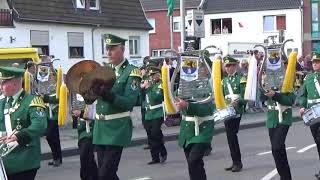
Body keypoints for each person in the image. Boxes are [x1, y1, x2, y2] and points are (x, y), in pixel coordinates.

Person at [92, 34, 142, 180]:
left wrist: (107, 95)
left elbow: (129, 102)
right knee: (107, 174)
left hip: (117, 128)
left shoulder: (132, 72)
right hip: (100, 128)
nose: (108, 53)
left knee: (104, 174)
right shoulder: (104, 70)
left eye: (112, 49)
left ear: (122, 49)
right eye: (107, 49)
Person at [0, 66, 47, 180]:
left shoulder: (32, 101)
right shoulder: (2, 102)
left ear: (15, 84)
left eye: (3, 84)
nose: (0, 87)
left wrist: (18, 136)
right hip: (4, 160)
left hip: (24, 160)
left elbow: (39, 125)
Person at [260, 58, 295, 180]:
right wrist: (262, 85)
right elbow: (261, 99)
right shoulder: (269, 81)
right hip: (272, 119)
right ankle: (285, 177)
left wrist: (276, 95)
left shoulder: (289, 80)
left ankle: (285, 177)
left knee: (277, 147)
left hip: (284, 118)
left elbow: (290, 101)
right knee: (277, 151)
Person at [176, 95, 215, 180]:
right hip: (187, 131)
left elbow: (207, 109)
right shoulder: (183, 89)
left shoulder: (205, 87)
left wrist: (187, 105)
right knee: (194, 165)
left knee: (193, 161)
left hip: (202, 132)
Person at [222, 55, 246, 172]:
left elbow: (246, 96)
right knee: (230, 137)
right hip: (227, 110)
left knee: (232, 136)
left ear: (235, 66)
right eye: (226, 66)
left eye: (230, 66)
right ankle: (235, 162)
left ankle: (238, 162)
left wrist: (239, 102)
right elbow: (221, 96)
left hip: (236, 111)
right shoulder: (224, 81)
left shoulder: (241, 79)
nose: (228, 68)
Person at [299, 52, 320, 179]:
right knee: (317, 141)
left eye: (317, 62)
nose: (315, 64)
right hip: (312, 112)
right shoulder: (308, 78)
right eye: (313, 62)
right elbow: (303, 94)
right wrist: (302, 106)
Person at [142, 65, 167, 165]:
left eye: (154, 75)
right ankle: (155, 157)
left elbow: (157, 97)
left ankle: (163, 152)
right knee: (151, 137)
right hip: (148, 113)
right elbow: (142, 99)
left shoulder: (160, 85)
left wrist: (148, 88)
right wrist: (142, 89)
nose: (152, 77)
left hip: (158, 112)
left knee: (155, 133)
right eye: (151, 75)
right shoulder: (150, 84)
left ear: (158, 75)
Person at [72, 96, 98, 180]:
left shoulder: (94, 95)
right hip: (82, 131)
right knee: (88, 158)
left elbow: (94, 113)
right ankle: (95, 177)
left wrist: (81, 113)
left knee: (84, 156)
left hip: (90, 131)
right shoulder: (79, 96)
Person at [42, 90, 63, 167]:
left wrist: (45, 97)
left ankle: (57, 158)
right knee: (50, 138)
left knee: (52, 137)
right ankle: (57, 157)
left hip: (54, 116)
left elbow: (57, 98)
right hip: (47, 115)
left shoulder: (60, 83)